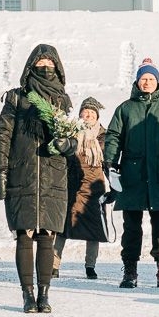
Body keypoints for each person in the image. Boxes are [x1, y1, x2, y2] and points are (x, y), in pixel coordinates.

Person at [0, 44, 75, 314]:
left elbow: (74, 140)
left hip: (53, 175)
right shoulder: (17, 98)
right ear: (31, 65)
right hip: (23, 173)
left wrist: (67, 144)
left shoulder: (63, 100)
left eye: (50, 62)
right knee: (25, 234)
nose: (45, 66)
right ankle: (27, 294)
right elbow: (2, 136)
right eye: (40, 62)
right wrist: (0, 171)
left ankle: (44, 294)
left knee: (46, 237)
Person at [104, 60, 159, 289]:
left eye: (151, 79)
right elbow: (114, 136)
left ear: (157, 82)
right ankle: (130, 270)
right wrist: (110, 163)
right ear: (137, 81)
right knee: (131, 226)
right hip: (133, 174)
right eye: (144, 78)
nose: (147, 82)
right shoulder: (125, 108)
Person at [58, 97, 110, 280]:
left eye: (91, 113)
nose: (87, 116)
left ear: (97, 116)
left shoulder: (104, 136)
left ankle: (90, 266)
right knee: (62, 227)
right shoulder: (70, 133)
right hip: (72, 185)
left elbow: (109, 162)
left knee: (93, 229)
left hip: (94, 189)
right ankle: (54, 265)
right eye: (84, 113)